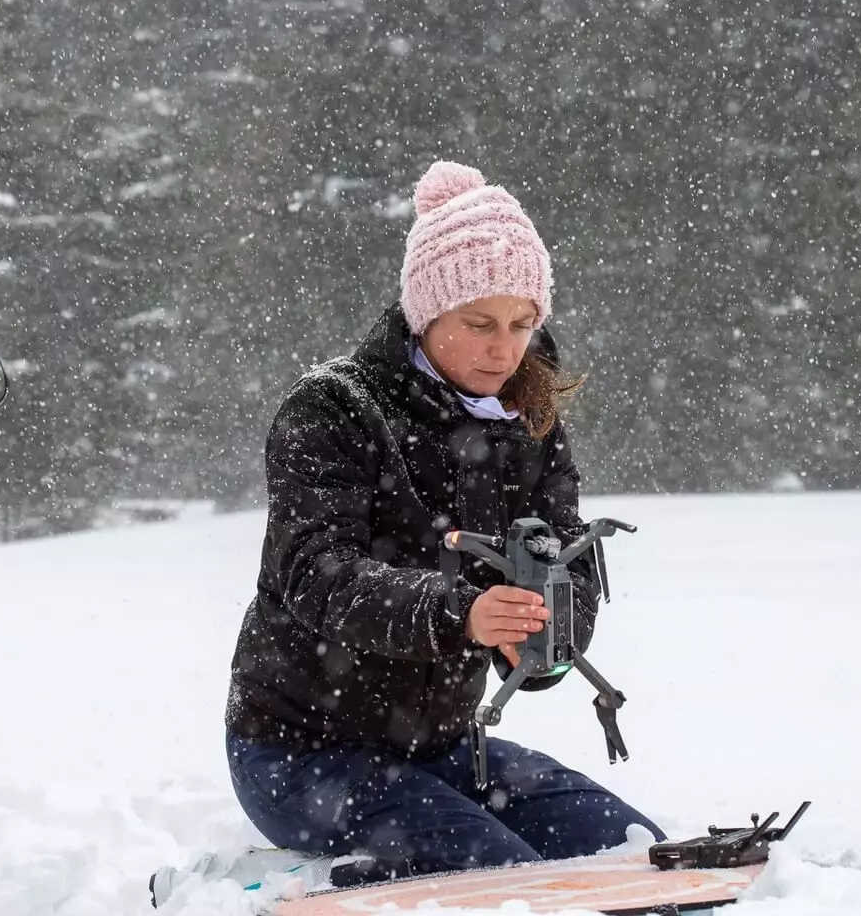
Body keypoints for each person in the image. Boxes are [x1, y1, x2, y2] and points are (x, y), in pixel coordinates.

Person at [223, 159, 665, 880]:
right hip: (298, 752)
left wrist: (550, 632)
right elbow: (318, 574)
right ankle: (286, 888)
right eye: (480, 323)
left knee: (632, 853)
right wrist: (460, 613)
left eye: (524, 323)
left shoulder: (530, 417)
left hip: (443, 746)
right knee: (505, 882)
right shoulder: (331, 409)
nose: (505, 348)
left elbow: (568, 556)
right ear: (427, 313)